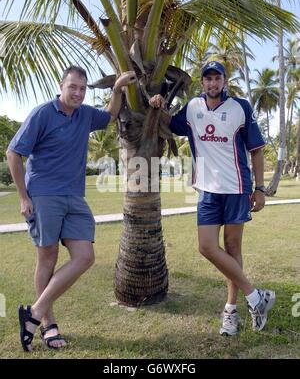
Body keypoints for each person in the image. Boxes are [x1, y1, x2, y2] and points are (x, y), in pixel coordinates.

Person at [6, 65, 136, 351]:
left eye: (82, 88)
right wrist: (23, 197)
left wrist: (117, 88)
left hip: (74, 197)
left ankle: (34, 313)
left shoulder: (85, 114)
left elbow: (111, 115)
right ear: (61, 86)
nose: (77, 93)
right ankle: (48, 326)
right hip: (43, 194)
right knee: (48, 258)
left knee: (85, 256)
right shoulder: (43, 113)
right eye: (72, 87)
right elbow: (14, 153)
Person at [149, 61, 275, 336]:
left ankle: (231, 311)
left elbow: (256, 150)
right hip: (207, 189)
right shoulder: (193, 107)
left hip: (236, 188)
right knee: (206, 247)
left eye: (217, 78)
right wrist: (159, 105)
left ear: (225, 81)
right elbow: (174, 124)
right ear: (202, 82)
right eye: (208, 79)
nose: (212, 83)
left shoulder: (240, 108)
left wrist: (260, 189)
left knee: (232, 249)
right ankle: (256, 297)